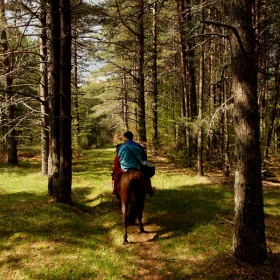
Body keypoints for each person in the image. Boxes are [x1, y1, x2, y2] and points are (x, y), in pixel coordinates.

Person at [112, 131, 155, 197]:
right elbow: (144, 158)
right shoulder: (139, 146)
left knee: (116, 177)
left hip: (124, 169)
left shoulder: (121, 147)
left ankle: (115, 191)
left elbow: (118, 158)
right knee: (146, 177)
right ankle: (150, 190)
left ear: (125, 137)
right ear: (132, 137)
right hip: (137, 168)